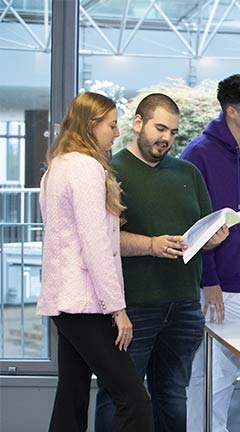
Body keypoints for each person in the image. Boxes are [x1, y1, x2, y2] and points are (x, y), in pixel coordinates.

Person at [95, 93, 228, 431]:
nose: (166, 138)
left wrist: (211, 241)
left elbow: (199, 234)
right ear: (137, 123)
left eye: (172, 131)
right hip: (131, 308)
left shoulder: (188, 173)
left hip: (183, 306)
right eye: (160, 128)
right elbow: (100, 241)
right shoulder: (109, 173)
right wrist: (151, 245)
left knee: (172, 396)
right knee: (119, 397)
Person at [37, 92, 153, 432]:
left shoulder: (57, 166)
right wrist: (117, 308)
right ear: (90, 125)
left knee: (71, 397)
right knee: (134, 401)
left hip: (64, 301)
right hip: (86, 303)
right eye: (111, 125)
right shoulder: (86, 168)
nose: (116, 133)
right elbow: (95, 244)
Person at [181, 74, 240, 431]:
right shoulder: (198, 154)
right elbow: (193, 225)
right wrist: (209, 279)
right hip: (209, 285)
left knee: (225, 374)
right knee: (202, 373)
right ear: (231, 111)